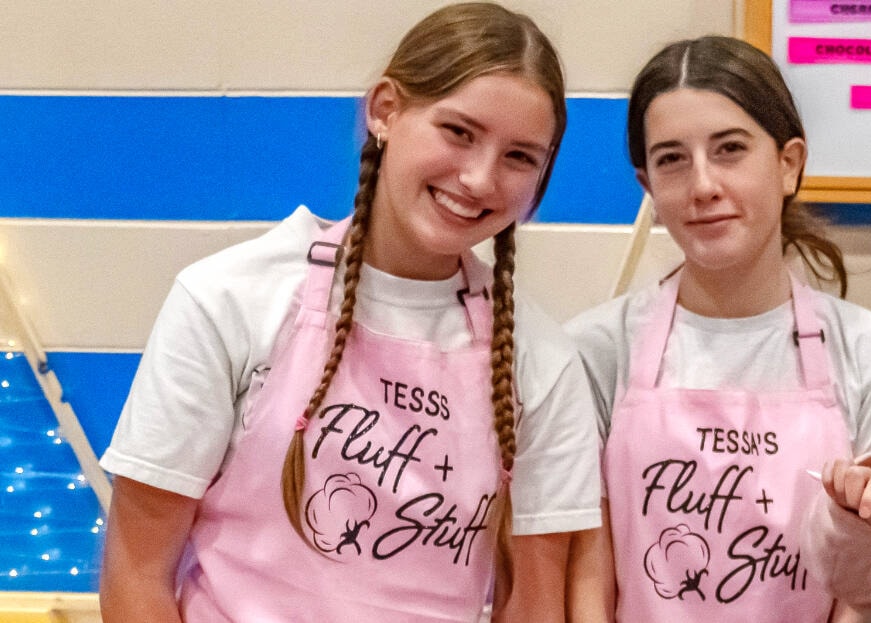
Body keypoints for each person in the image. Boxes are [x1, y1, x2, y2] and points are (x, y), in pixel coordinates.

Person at [98, 3, 602, 621]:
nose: (478, 177)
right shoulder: (227, 301)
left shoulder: (543, 360)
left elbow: (535, 603)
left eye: (520, 156)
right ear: (386, 109)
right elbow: (136, 572)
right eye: (459, 132)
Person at [564, 35, 871, 623]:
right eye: (672, 159)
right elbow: (587, 575)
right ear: (648, 187)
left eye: (730, 149)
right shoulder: (593, 352)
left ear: (788, 164)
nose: (703, 184)